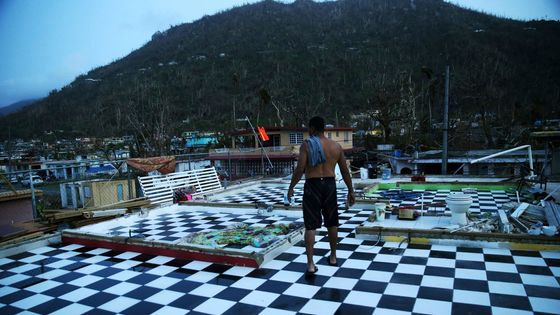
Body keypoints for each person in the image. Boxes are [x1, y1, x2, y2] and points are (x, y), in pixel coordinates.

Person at [287, 116, 355, 275]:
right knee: (332, 222)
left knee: (311, 225)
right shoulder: (336, 146)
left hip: (313, 185)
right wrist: (351, 190)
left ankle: (311, 264)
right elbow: (345, 171)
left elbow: (300, 169)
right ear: (324, 128)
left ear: (312, 128)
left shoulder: (307, 145)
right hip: (330, 185)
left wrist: (291, 187)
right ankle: (333, 257)